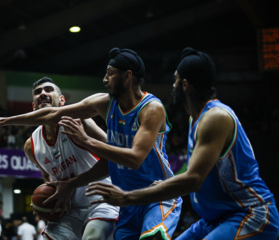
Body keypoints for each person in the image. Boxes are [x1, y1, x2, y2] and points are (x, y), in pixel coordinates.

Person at [0, 47, 182, 240]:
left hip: (149, 194)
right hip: (122, 198)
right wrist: (3, 121)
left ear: (127, 76)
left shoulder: (151, 108)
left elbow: (132, 158)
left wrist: (86, 141)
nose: (104, 79)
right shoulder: (102, 103)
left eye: (109, 73)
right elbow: (52, 117)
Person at [85, 47, 279, 240]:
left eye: (176, 80)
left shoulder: (215, 117)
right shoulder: (196, 118)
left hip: (250, 213)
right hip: (216, 218)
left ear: (185, 84)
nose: (173, 85)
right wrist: (168, 183)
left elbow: (193, 179)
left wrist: (128, 197)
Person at [24, 77, 119, 239]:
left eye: (48, 90)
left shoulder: (79, 122)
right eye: (38, 92)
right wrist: (44, 202)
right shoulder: (30, 146)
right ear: (34, 107)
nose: (43, 93)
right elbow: (48, 178)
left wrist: (70, 185)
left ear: (62, 101)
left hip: (100, 201)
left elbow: (115, 159)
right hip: (67, 211)